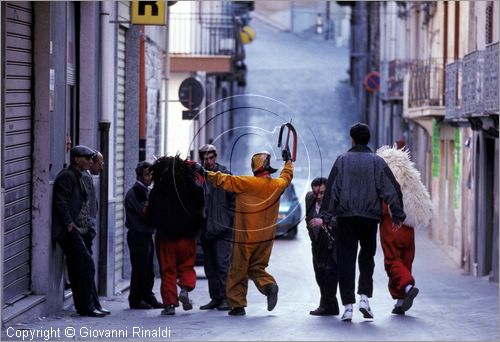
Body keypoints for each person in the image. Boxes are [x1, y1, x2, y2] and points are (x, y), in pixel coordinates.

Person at [314, 123, 406, 322]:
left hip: (346, 218)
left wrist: (327, 217)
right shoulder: (377, 162)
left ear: (352, 140)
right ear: (368, 140)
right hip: (369, 218)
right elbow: (392, 189)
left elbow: (332, 191)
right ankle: (364, 298)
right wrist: (397, 215)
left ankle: (348, 307)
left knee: (346, 260)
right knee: (366, 257)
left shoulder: (342, 161)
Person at [205, 151, 293, 316]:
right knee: (256, 266)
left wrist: (202, 171)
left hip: (246, 236)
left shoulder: (247, 183)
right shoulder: (277, 184)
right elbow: (287, 176)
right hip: (266, 238)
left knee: (238, 269)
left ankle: (238, 305)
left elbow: (223, 179)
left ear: (255, 167)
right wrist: (288, 161)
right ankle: (269, 286)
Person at [376, 145, 433, 315]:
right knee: (405, 261)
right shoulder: (410, 180)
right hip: (409, 228)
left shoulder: (386, 180)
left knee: (392, 262)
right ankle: (401, 301)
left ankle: (408, 286)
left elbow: (383, 207)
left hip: (392, 225)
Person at [52, 145, 107, 317]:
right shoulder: (67, 176)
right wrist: (69, 224)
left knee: (80, 267)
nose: (91, 162)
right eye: (88, 158)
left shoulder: (78, 176)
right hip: (70, 231)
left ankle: (87, 305)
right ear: (77, 159)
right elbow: (61, 202)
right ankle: (86, 307)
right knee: (86, 265)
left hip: (80, 230)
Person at [148, 155, 205, 316]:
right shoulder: (191, 189)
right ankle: (185, 288)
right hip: (187, 236)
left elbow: (150, 212)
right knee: (187, 266)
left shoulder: (158, 191)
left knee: (168, 271)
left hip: (165, 237)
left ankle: (170, 304)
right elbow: (200, 208)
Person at [197, 144, 235, 311]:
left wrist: (229, 220)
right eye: (206, 158)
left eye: (212, 157)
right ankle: (216, 298)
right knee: (210, 266)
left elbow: (234, 200)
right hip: (205, 228)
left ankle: (227, 298)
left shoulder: (225, 175)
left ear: (215, 157)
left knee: (223, 265)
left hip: (223, 228)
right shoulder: (198, 177)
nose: (209, 161)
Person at [125, 161, 164, 310]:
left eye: (151, 174)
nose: (150, 178)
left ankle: (147, 296)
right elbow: (146, 213)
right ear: (140, 176)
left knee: (148, 269)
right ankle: (136, 299)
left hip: (146, 234)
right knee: (140, 268)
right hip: (138, 235)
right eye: (147, 175)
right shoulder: (137, 192)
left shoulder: (145, 190)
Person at [79, 148, 111, 316]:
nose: (101, 166)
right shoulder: (84, 177)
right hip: (84, 228)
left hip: (86, 227)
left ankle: (94, 304)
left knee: (88, 268)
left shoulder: (88, 176)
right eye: (100, 163)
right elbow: (86, 205)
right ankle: (90, 305)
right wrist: (88, 226)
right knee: (87, 267)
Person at [305, 177, 339, 316]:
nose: (318, 197)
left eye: (322, 193)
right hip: (317, 241)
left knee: (330, 274)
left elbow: (341, 219)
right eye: (316, 193)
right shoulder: (309, 198)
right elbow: (308, 217)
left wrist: (324, 222)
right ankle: (329, 306)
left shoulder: (336, 199)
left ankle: (327, 306)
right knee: (319, 274)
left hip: (333, 241)